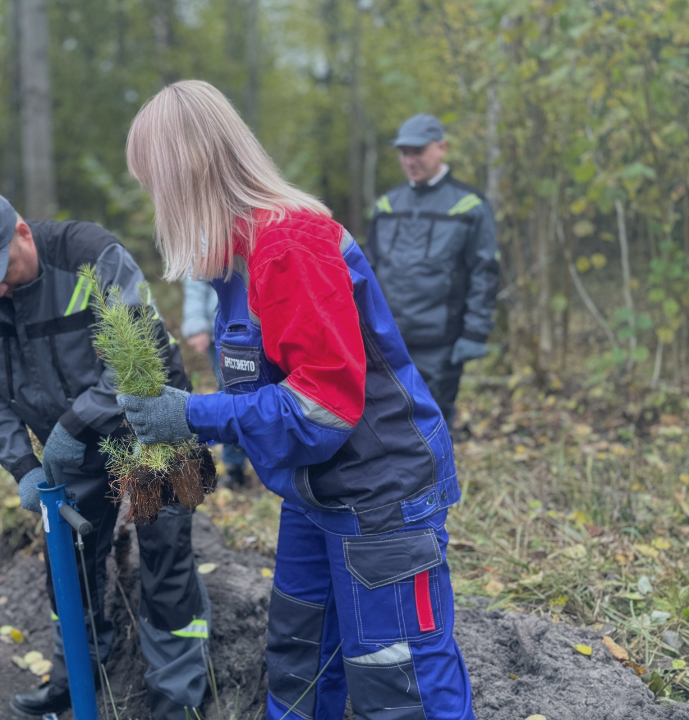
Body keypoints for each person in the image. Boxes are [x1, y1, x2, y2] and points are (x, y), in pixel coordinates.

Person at [121, 80, 475, 720]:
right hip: (314, 494)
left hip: (378, 497)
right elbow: (261, 387)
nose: (155, 204)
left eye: (156, 186)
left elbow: (324, 408)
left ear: (189, 173)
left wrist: (193, 414)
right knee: (300, 660)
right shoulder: (232, 260)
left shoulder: (290, 245)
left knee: (400, 687)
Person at [0, 187, 210, 720]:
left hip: (154, 429)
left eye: (2, 267)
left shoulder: (90, 254)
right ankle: (77, 679)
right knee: (65, 559)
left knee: (165, 559)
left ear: (22, 231)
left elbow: (139, 358)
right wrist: (22, 466)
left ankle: (177, 700)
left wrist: (72, 425)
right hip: (73, 449)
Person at [365, 114, 498, 426]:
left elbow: (485, 271)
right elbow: (367, 270)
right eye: (404, 153)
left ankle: (440, 476)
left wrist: (475, 332)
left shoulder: (469, 205)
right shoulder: (387, 205)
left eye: (418, 151)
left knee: (433, 425)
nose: (410, 160)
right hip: (386, 339)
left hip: (441, 342)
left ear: (441, 148)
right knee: (388, 424)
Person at [182, 277, 249, 486]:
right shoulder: (204, 244)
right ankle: (234, 465)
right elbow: (196, 280)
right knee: (230, 392)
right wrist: (195, 321)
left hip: (263, 320)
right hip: (224, 325)